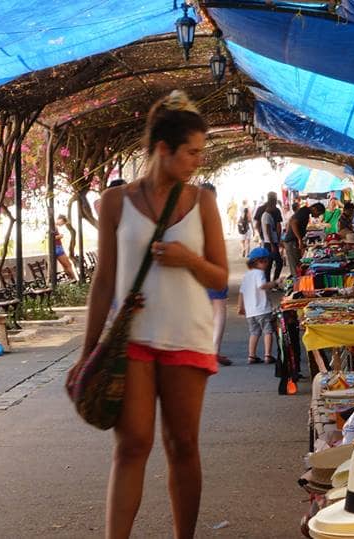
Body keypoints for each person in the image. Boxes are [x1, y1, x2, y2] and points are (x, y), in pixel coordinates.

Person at [75, 90, 227, 539]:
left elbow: (218, 274)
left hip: (188, 337)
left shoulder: (202, 203)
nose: (198, 161)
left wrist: (188, 260)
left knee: (182, 446)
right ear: (164, 149)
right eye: (192, 152)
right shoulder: (116, 202)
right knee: (132, 445)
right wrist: (89, 353)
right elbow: (103, 281)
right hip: (134, 338)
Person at [200, 183, 231, 367]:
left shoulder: (188, 213)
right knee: (219, 309)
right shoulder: (211, 215)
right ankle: (214, 350)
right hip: (210, 266)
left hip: (196, 269)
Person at [238, 247, 279, 364]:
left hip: (250, 312)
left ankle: (251, 356)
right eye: (266, 261)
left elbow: (242, 292)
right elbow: (262, 286)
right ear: (260, 261)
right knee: (268, 331)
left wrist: (240, 307)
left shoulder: (247, 275)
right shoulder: (259, 273)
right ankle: (267, 355)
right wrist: (275, 283)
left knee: (254, 333)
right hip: (262, 309)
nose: (267, 264)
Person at [283, 202, 326, 276]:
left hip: (293, 241)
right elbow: (293, 222)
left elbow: (291, 220)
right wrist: (299, 239)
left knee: (298, 264)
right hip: (292, 241)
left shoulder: (305, 212)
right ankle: (297, 283)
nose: (317, 216)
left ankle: (297, 281)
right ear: (314, 208)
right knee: (296, 266)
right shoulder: (304, 211)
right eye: (318, 214)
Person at [258, 192, 283, 281]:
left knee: (269, 263)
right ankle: (274, 281)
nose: (275, 208)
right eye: (274, 206)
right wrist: (273, 244)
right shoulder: (266, 216)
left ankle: (269, 281)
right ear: (271, 205)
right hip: (270, 243)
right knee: (279, 262)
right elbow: (268, 231)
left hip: (269, 242)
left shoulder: (267, 215)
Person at [54, 215, 78, 281]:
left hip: (58, 247)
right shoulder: (53, 226)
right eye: (63, 222)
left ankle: (71, 280)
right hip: (57, 248)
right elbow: (50, 237)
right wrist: (60, 236)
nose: (62, 224)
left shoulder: (54, 226)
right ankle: (76, 281)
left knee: (65, 266)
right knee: (69, 265)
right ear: (60, 219)